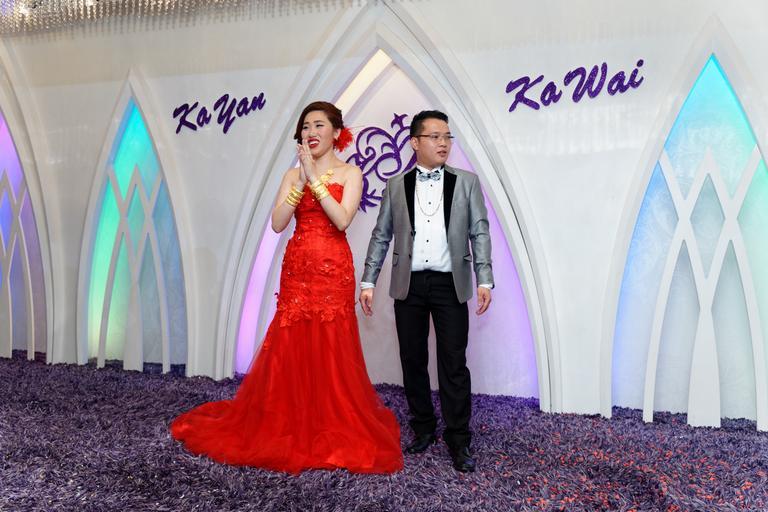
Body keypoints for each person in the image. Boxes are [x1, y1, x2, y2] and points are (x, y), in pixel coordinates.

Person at [171, 101, 403, 474]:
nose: (311, 132)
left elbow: (342, 220)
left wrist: (314, 178)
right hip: (297, 267)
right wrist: (299, 182)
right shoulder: (290, 176)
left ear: (336, 132)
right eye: (305, 126)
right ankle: (290, 417)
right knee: (291, 337)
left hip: (333, 268)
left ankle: (329, 420)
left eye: (318, 125)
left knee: (331, 340)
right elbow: (278, 223)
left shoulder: (350, 173)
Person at [359, 109, 493, 473]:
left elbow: (479, 231)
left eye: (447, 136)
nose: (443, 143)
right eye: (435, 136)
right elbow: (381, 235)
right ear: (415, 142)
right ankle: (423, 428)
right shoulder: (395, 185)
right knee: (412, 359)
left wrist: (484, 278)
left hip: (451, 283)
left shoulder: (467, 182)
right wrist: (368, 281)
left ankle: (459, 438)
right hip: (410, 284)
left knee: (453, 362)